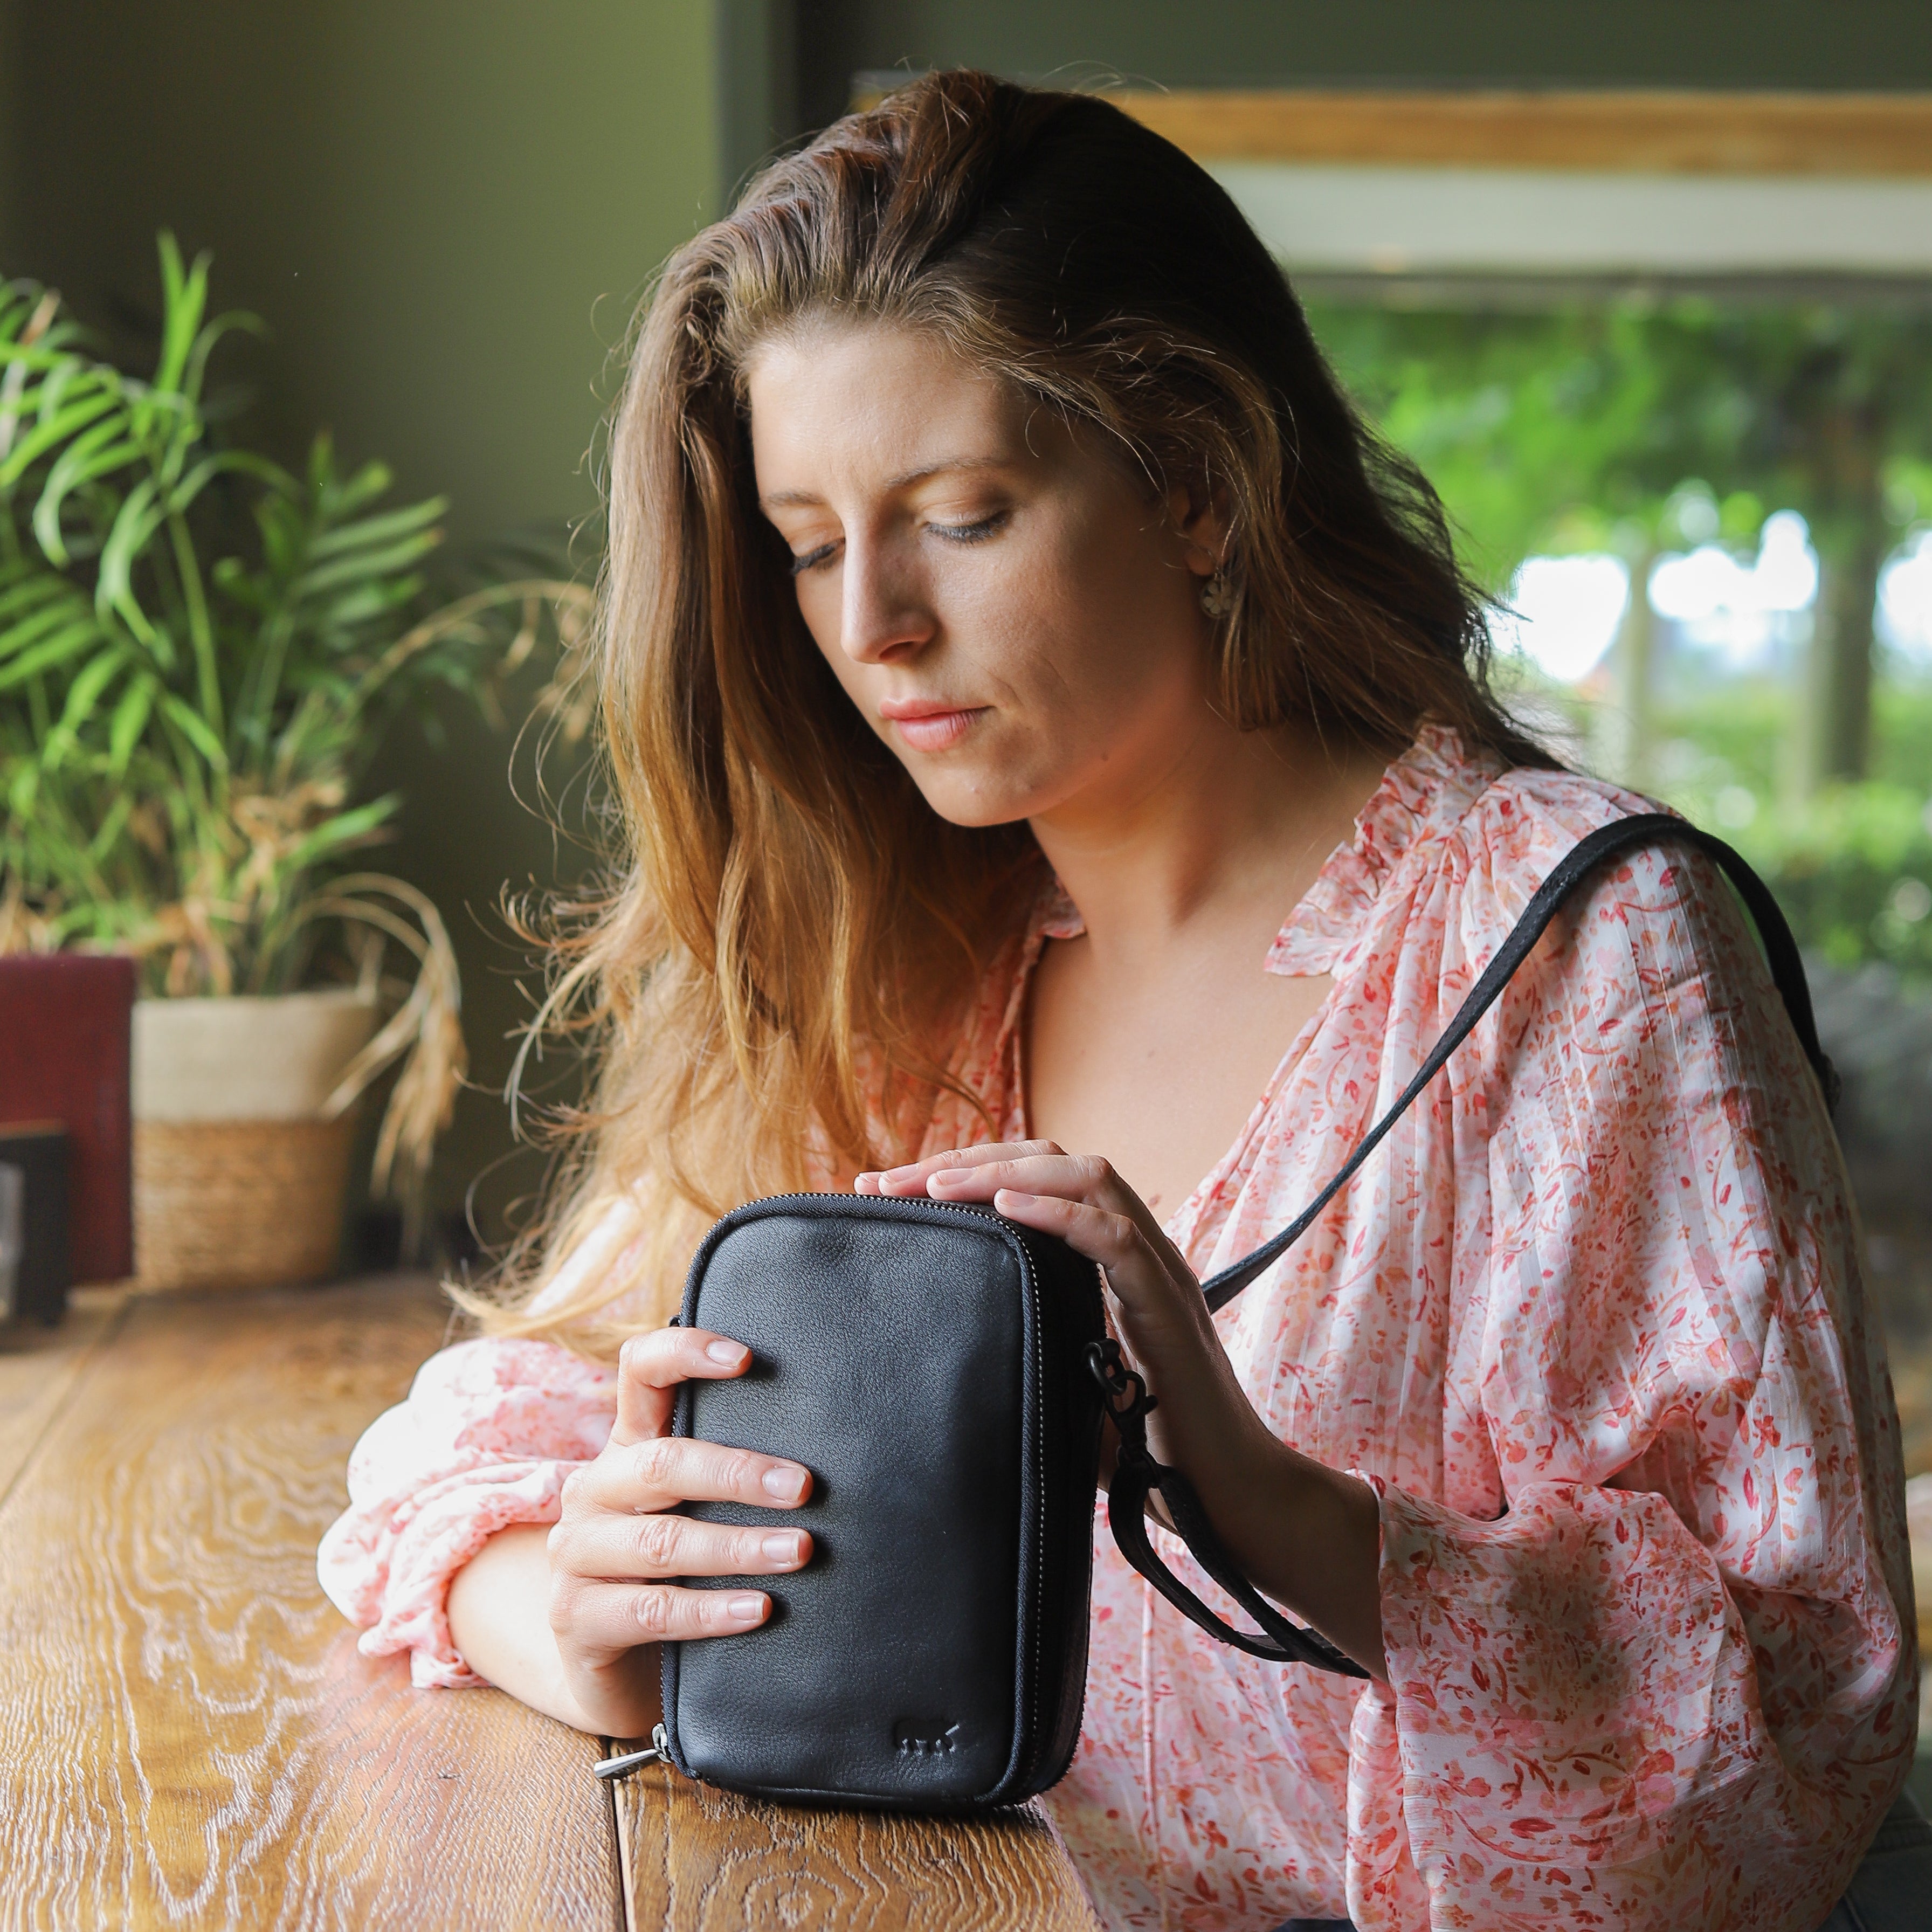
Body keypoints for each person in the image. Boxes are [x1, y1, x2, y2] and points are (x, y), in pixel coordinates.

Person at [318, 71, 1915, 1931]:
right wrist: (582, 1624)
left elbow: (1798, 1708)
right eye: (813, 545)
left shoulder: (1575, 957)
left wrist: (1271, 1503)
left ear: (1196, 486)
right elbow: (469, 1433)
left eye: (964, 514)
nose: (874, 628)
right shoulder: (901, 968)